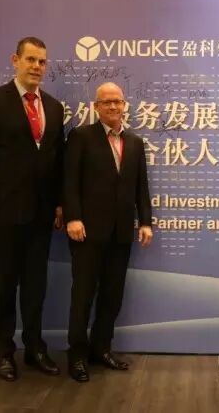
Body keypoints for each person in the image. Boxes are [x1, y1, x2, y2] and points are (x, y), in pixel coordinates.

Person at [0, 37, 65, 381]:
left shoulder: (54, 107)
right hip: (5, 212)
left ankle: (35, 348)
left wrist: (59, 203)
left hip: (42, 214)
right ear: (15, 60)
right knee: (6, 285)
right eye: (31, 59)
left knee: (36, 286)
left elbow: (56, 161)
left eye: (42, 61)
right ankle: (5, 352)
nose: (37, 66)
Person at [63, 82, 153, 382]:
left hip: (121, 233)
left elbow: (141, 186)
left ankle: (101, 349)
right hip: (86, 232)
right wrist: (73, 217)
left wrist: (145, 222)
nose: (113, 107)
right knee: (83, 295)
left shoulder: (135, 142)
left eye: (118, 101)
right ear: (96, 106)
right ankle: (77, 355)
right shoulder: (81, 136)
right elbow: (69, 180)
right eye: (107, 102)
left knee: (112, 296)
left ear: (124, 105)